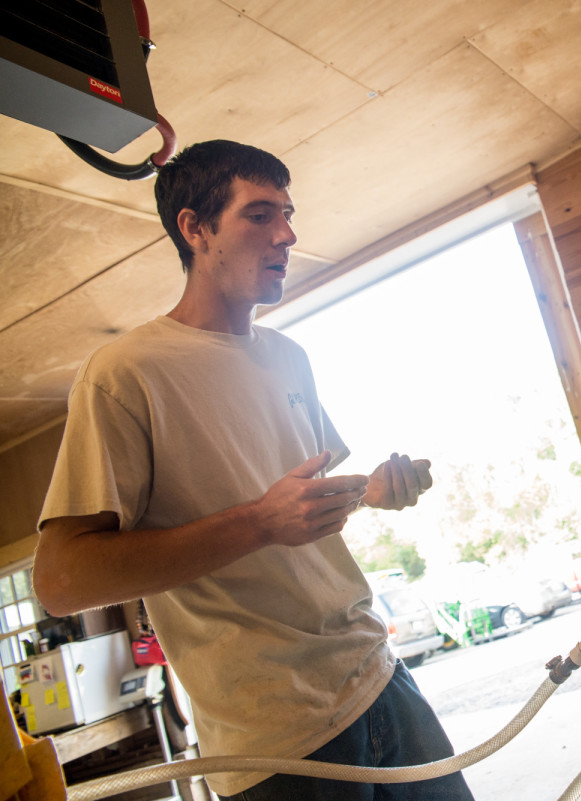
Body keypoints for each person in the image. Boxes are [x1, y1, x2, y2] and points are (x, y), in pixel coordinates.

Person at [33, 140, 475, 801]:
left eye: (288, 213)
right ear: (194, 226)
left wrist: (371, 491)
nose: (288, 234)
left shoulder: (290, 357)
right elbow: (62, 580)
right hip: (274, 741)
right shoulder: (126, 373)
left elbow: (297, 505)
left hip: (378, 678)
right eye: (260, 214)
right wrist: (259, 523)